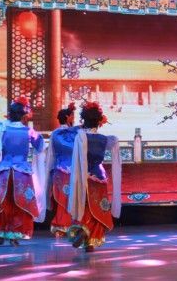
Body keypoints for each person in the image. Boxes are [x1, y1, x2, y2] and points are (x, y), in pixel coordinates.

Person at [0, 96, 46, 245]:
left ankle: (0, 231)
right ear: (24, 115)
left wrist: (5, 123)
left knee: (4, 202)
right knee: (20, 203)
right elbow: (41, 146)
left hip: (4, 171)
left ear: (10, 114)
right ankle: (15, 233)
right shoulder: (29, 131)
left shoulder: (2, 129)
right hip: (22, 173)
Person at [67, 102, 121, 252]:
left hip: (83, 175)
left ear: (83, 120)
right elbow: (114, 142)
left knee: (84, 205)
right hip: (99, 176)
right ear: (99, 121)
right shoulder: (105, 139)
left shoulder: (80, 137)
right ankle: (90, 240)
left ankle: (83, 229)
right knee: (98, 207)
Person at [45, 103, 77, 237]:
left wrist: (50, 169)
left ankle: (60, 226)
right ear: (68, 117)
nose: (74, 118)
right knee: (72, 198)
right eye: (72, 116)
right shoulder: (76, 133)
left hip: (59, 170)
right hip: (74, 170)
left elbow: (51, 154)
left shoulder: (55, 133)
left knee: (61, 198)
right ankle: (72, 225)